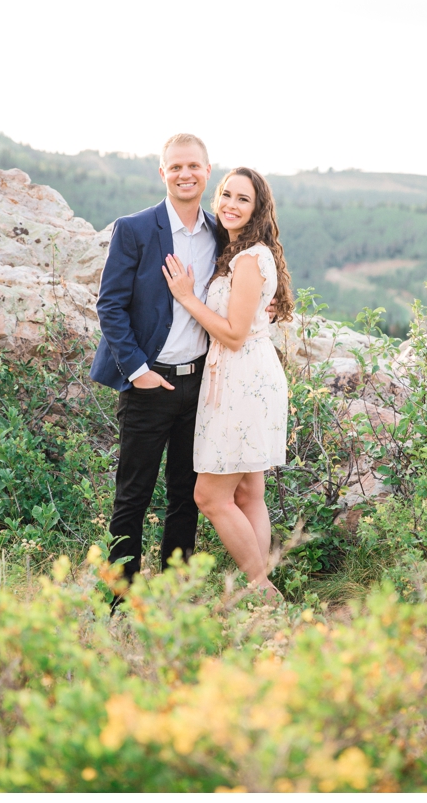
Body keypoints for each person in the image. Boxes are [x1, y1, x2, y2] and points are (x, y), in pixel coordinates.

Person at [89, 133, 221, 604]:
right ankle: (117, 601)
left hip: (200, 384)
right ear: (162, 173)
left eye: (194, 166)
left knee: (187, 496)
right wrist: (138, 370)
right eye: (176, 166)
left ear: (208, 172)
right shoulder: (135, 229)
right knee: (133, 496)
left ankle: (173, 599)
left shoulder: (219, 233)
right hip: (149, 383)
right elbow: (110, 306)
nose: (186, 174)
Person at [164, 167, 292, 598]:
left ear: (257, 210)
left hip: (242, 380)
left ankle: (264, 593)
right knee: (248, 493)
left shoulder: (249, 258)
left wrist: (186, 298)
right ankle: (265, 603)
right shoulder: (241, 253)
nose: (230, 205)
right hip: (245, 376)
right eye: (226, 195)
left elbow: (235, 333)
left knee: (210, 497)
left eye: (243, 199)